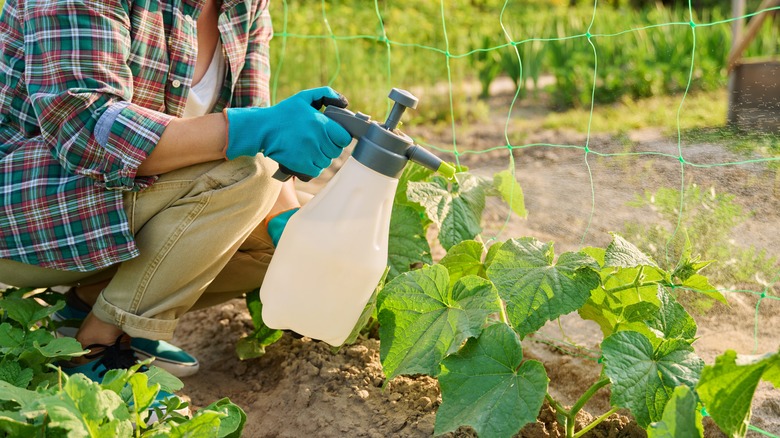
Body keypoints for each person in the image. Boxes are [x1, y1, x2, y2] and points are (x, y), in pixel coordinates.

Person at [0, 0, 351, 385]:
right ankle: (97, 350)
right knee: (248, 173)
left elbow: (252, 117)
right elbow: (85, 129)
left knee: (290, 235)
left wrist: (286, 226)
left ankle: (86, 311)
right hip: (26, 209)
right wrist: (253, 133)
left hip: (129, 200)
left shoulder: (245, 5)